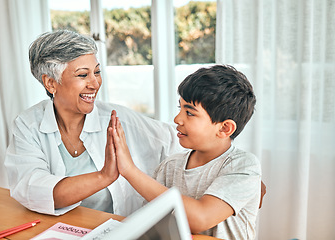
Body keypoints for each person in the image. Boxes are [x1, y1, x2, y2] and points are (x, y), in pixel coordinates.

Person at [4, 30, 183, 216]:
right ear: (50, 83)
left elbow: (178, 140)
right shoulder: (28, 125)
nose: (95, 83)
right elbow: (32, 189)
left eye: (96, 72)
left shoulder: (118, 119)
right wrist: (103, 176)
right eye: (82, 75)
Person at [109, 65, 262, 239]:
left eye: (189, 112)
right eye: (179, 108)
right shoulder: (170, 166)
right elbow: (150, 223)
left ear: (225, 128)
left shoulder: (244, 166)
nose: (177, 119)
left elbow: (201, 218)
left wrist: (130, 171)